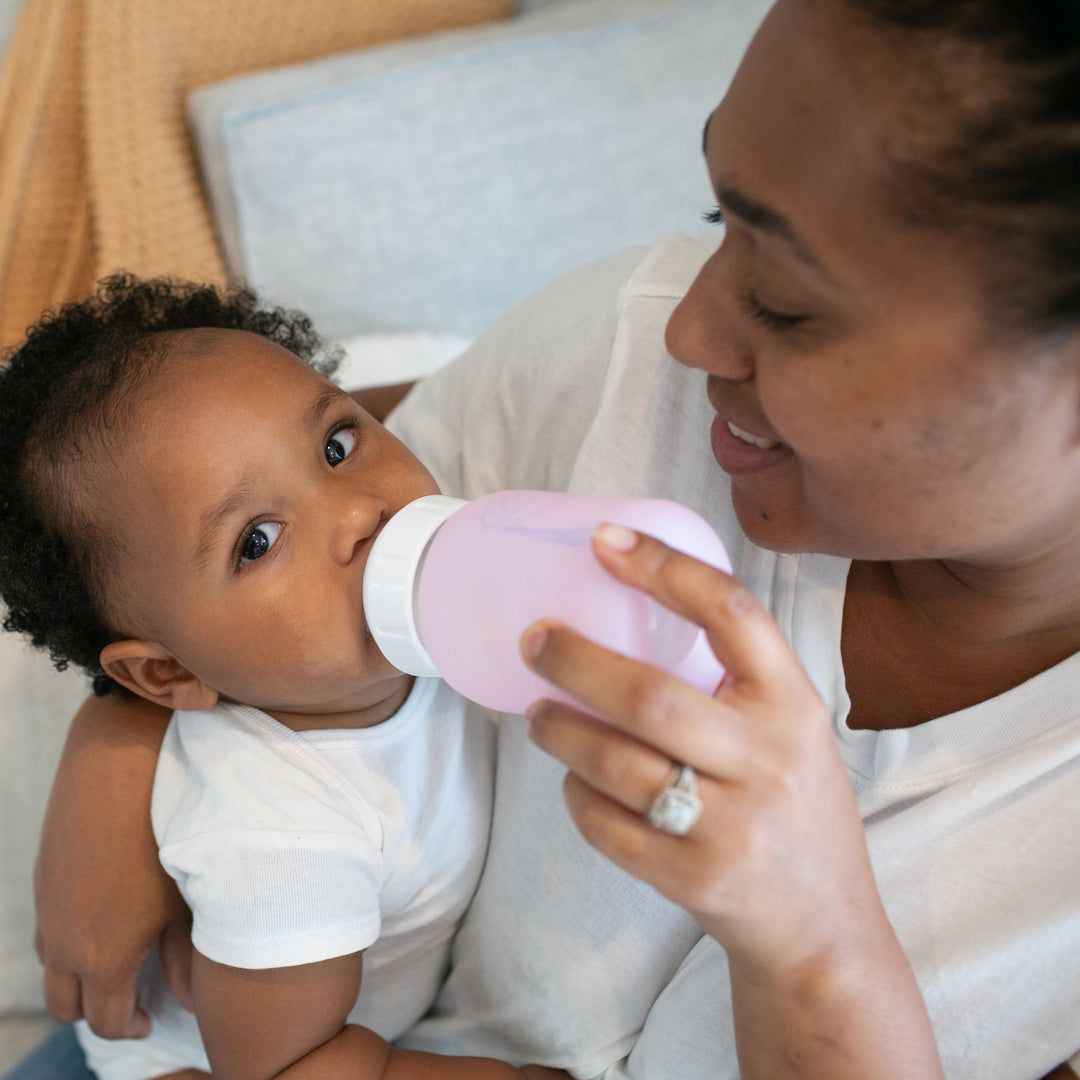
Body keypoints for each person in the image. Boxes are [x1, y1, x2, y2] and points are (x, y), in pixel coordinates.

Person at [11, 0, 1080, 1075]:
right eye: (717, 221)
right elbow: (212, 469)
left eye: (791, 303)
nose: (686, 329)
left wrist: (816, 947)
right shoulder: (624, 360)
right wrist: (131, 736)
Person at [0, 277, 569, 1080]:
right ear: (168, 672)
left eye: (337, 445)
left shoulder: (407, 620)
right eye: (258, 541)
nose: (357, 512)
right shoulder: (278, 834)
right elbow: (289, 1069)